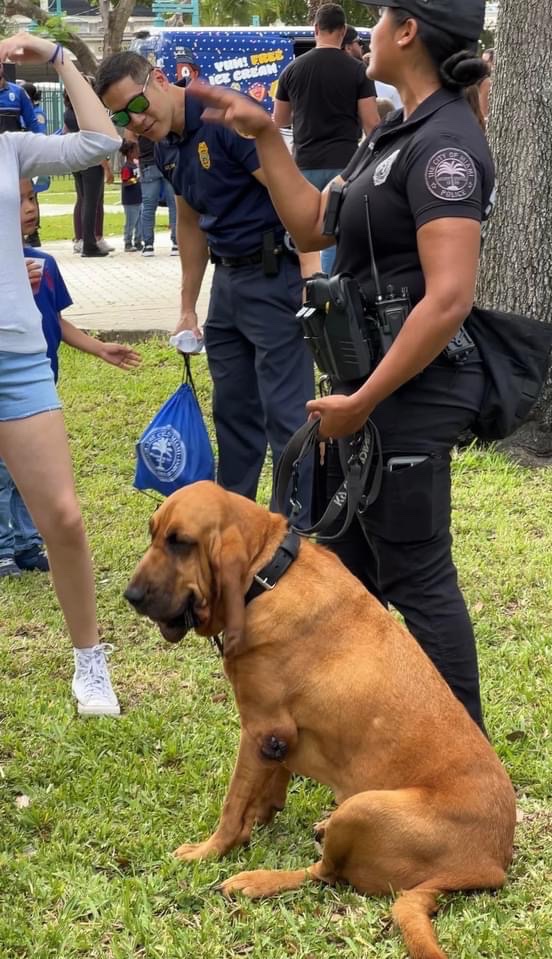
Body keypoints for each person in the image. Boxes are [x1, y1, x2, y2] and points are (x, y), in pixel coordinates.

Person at [186, 0, 494, 731]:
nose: (366, 33)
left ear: (408, 32)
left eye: (378, 18)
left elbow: (449, 297)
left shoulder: (446, 145)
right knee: (345, 573)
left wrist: (365, 400)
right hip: (365, 389)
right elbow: (309, 224)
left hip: (408, 393)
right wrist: (267, 136)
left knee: (416, 576)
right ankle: (347, 739)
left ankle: (468, 759)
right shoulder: (391, 132)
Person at [95, 51, 314, 515]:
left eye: (138, 105)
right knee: (233, 416)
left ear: (158, 79)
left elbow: (294, 197)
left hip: (275, 277)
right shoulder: (166, 143)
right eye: (122, 117)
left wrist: (312, 278)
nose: (137, 121)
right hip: (228, 284)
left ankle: (293, 532)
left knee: (288, 416)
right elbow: (190, 223)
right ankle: (232, 525)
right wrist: (187, 307)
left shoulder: (225, 119)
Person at [0, 31, 127, 716]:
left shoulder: (11, 147)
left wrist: (58, 59)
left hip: (17, 357)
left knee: (65, 518)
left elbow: (101, 141)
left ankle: (90, 665)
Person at [0, 177, 140, 578]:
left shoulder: (44, 263)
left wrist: (99, 347)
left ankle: (28, 544)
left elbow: (56, 321)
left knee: (33, 471)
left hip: (40, 384)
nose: (30, 207)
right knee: (4, 473)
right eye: (17, 201)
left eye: (32, 198)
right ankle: (3, 548)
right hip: (7, 387)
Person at [273, 3, 379, 274]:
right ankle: (331, 289)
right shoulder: (358, 71)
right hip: (344, 164)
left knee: (306, 239)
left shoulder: (292, 70)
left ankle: (309, 286)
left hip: (305, 163)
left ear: (316, 29)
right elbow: (371, 124)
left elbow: (279, 120)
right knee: (333, 234)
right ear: (343, 31)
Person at [64, 90, 113, 258]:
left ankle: (83, 239)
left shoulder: (69, 113)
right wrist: (107, 167)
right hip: (91, 161)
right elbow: (96, 141)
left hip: (76, 159)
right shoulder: (87, 113)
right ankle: (90, 243)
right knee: (92, 203)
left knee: (83, 200)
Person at [137, 132, 178, 257]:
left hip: (148, 162)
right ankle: (177, 242)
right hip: (169, 160)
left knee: (148, 206)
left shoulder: (141, 121)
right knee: (175, 204)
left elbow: (130, 137)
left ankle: (148, 245)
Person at [0, 61, 40, 133]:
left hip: (12, 140)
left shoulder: (18, 92)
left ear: (1, 66)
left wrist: (38, 139)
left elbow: (32, 123)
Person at [120, 140, 142, 251]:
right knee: (130, 222)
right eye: (136, 150)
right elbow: (125, 182)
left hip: (139, 198)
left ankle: (138, 241)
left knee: (140, 222)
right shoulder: (126, 167)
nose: (138, 152)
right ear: (129, 153)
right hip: (130, 200)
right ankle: (127, 242)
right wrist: (135, 180)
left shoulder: (136, 165)